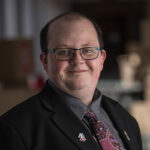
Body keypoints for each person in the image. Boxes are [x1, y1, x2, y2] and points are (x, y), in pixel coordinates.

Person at [0, 12, 142, 150]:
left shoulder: (125, 118)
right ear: (45, 62)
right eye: (63, 52)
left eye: (88, 50)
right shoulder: (15, 128)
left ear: (101, 59)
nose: (78, 60)